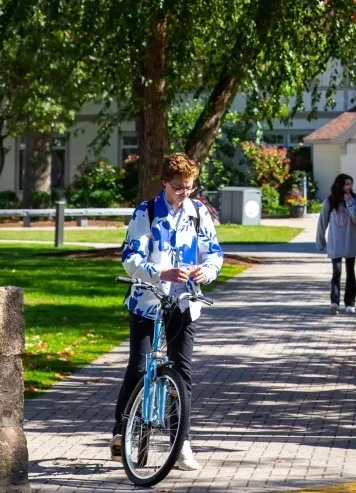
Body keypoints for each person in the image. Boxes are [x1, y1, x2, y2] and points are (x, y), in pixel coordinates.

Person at [111, 152, 224, 471]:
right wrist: (160, 272)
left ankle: (181, 441)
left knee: (182, 372)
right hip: (148, 299)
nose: (184, 193)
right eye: (178, 187)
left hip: (184, 301)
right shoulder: (146, 212)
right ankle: (122, 430)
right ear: (164, 183)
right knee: (138, 365)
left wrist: (207, 271)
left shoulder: (199, 212)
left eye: (189, 186)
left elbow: (214, 252)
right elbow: (130, 257)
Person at [316, 173, 356, 314]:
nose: (348, 187)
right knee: (336, 272)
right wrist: (320, 241)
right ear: (339, 185)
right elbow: (322, 222)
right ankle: (334, 302)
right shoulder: (329, 202)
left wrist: (349, 203)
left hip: (350, 242)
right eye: (346, 184)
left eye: (350, 184)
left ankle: (350, 303)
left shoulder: (355, 200)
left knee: (351, 273)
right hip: (335, 242)